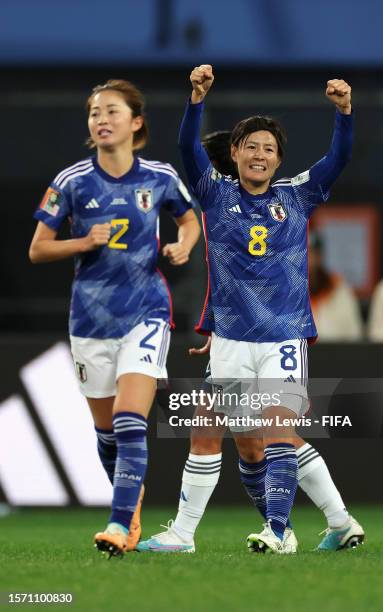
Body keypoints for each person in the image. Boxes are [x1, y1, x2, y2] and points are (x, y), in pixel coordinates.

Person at [138, 132, 364, 554]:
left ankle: (280, 529)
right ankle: (332, 521)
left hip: (274, 335)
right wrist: (212, 329)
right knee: (232, 433)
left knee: (270, 434)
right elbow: (227, 282)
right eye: (250, 149)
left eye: (267, 150)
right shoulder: (224, 203)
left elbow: (243, 277)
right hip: (232, 337)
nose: (257, 158)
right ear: (237, 156)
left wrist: (345, 115)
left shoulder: (266, 198)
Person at [29, 79, 201, 558]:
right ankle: (133, 508)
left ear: (136, 122)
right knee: (107, 435)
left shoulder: (160, 177)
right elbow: (37, 248)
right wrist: (83, 242)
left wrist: (183, 246)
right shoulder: (71, 182)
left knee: (129, 421)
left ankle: (118, 521)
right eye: (93, 113)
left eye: (111, 111)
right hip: (89, 320)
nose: (101, 120)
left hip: (146, 311)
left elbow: (190, 220)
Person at [309, 232, 363, 341]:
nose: (308, 259)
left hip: (335, 355)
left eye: (311, 253)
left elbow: (354, 334)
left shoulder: (339, 289)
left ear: (319, 257)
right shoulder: (285, 292)